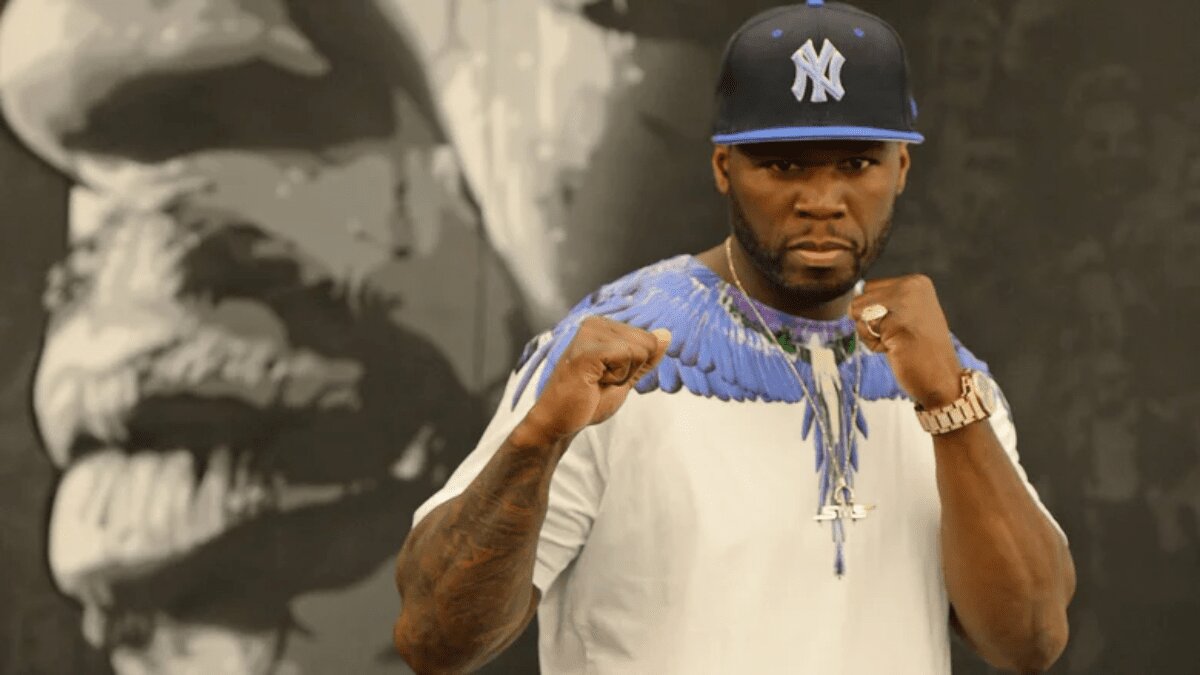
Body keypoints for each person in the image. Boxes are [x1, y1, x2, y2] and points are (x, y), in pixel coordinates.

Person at [392, 1, 1075, 673]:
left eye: (856, 163)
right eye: (783, 165)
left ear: (902, 167)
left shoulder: (947, 377)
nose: (821, 199)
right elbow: (435, 638)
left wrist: (950, 406)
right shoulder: (610, 350)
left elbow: (1031, 641)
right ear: (724, 167)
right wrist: (537, 441)